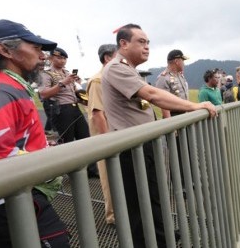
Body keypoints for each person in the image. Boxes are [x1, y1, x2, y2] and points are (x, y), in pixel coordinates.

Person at [101, 23, 216, 248]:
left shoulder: (130, 69)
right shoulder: (116, 68)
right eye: (141, 42)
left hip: (142, 144)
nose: (147, 47)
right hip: (131, 147)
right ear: (123, 44)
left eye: (148, 43)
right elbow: (153, 94)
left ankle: (162, 238)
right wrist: (194, 106)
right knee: (138, 203)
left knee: (153, 195)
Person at [0, 19, 70, 247]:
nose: (43, 56)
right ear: (4, 49)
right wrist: (45, 160)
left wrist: (43, 148)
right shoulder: (3, 90)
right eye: (36, 48)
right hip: (13, 198)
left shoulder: (15, 86)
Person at [38, 47, 99, 177]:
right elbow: (44, 94)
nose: (62, 60)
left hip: (75, 108)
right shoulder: (46, 74)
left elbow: (73, 93)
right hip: (62, 110)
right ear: (51, 58)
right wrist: (62, 83)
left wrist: (81, 96)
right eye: (59, 57)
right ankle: (72, 173)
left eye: (64, 58)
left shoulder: (67, 73)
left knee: (86, 138)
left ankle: (92, 170)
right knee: (68, 142)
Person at [86, 44, 117, 225]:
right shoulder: (98, 81)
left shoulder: (113, 79)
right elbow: (98, 114)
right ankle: (113, 216)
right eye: (118, 57)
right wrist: (108, 142)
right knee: (109, 177)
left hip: (117, 135)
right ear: (107, 58)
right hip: (107, 138)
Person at [155, 49, 189, 118]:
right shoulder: (163, 78)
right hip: (174, 117)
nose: (184, 64)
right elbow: (164, 103)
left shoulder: (180, 75)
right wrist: (170, 123)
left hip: (185, 114)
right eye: (182, 61)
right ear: (177, 61)